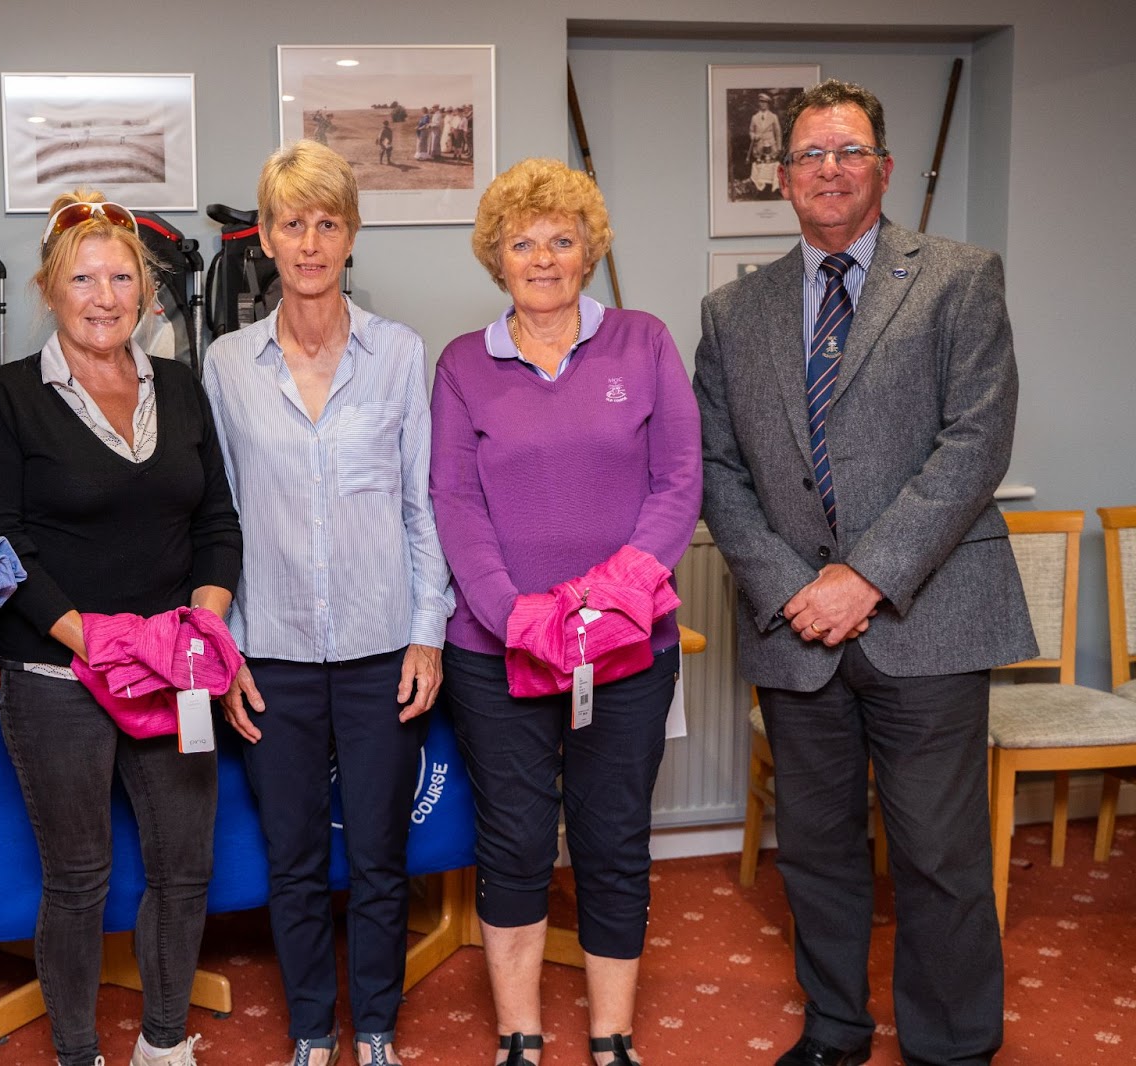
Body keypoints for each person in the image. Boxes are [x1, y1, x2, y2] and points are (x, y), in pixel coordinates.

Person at [692, 79, 1036, 1066]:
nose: (829, 169)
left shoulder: (958, 278)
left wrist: (866, 578)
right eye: (810, 154)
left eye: (848, 151)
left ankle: (952, 1045)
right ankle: (835, 1027)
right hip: (795, 628)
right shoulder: (732, 311)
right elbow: (716, 467)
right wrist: (788, 587)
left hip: (928, 620)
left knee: (938, 853)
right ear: (783, 178)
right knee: (814, 851)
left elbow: (976, 442)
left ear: (882, 167)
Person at [431, 158, 702, 1066]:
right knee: (512, 840)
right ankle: (519, 1034)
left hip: (626, 646)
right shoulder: (463, 365)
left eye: (561, 240)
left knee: (612, 837)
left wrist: (605, 602)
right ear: (496, 257)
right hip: (495, 650)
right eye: (523, 243)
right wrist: (516, 617)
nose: (543, 258)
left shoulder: (644, 342)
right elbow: (453, 502)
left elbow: (679, 482)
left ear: (589, 251)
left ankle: (611, 1035)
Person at [0, 189, 242, 1066]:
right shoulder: (7, 398)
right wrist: (97, 641)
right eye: (83, 278)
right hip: (57, 677)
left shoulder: (182, 387)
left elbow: (217, 523)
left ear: (147, 294)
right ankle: (77, 1053)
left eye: (122, 277)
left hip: (172, 674)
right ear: (50, 289)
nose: (104, 296)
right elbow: (0, 542)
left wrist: (199, 631)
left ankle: (164, 1043)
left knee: (184, 868)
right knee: (80, 878)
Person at [204, 140, 453, 1066]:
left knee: (381, 857)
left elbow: (422, 507)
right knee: (296, 859)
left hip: (382, 648)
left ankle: (376, 1027)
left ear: (351, 235)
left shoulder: (400, 354)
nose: (309, 243)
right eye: (292, 224)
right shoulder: (228, 365)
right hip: (271, 653)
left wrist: (427, 636)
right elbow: (219, 519)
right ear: (266, 238)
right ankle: (313, 1030)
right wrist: (228, 649)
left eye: (327, 223)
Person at [748, 91, 782, 175]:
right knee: (759, 171)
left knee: (771, 170)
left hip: (771, 148)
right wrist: (753, 136)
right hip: (758, 148)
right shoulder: (754, 117)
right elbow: (751, 131)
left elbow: (778, 133)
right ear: (758, 103)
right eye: (761, 102)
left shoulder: (773, 117)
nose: (763, 104)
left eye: (765, 102)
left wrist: (779, 148)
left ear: (768, 104)